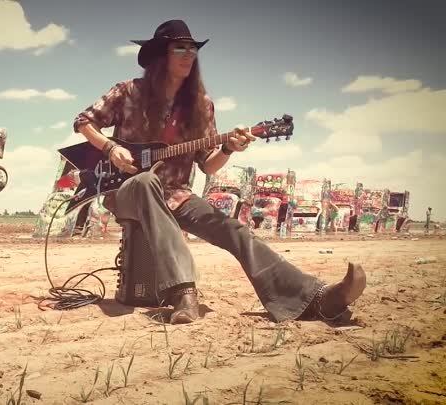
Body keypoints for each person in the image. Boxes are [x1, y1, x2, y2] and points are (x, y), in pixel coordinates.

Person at [72, 20, 366, 324]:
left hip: (177, 195)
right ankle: (183, 292)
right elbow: (84, 121)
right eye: (180, 48)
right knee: (147, 181)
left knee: (234, 230)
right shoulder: (128, 92)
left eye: (193, 49)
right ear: (161, 55)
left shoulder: (201, 106)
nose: (189, 54)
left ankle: (314, 299)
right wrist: (110, 149)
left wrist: (228, 149)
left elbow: (207, 164)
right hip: (126, 191)